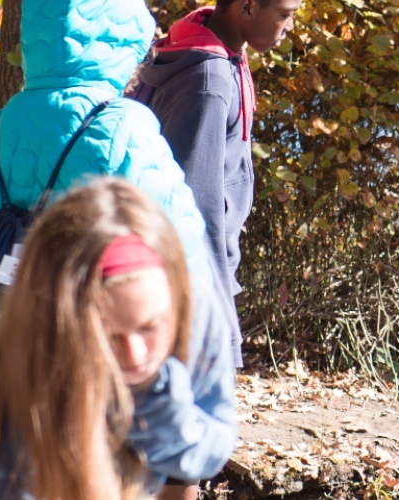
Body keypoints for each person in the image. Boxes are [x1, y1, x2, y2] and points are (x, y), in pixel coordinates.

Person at [0, 0, 239, 493]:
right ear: (120, 33)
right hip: (107, 335)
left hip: (19, 329)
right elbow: (177, 243)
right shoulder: (123, 124)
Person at [0, 179, 199, 500]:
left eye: (151, 326)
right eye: (108, 335)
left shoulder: (166, 386)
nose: (136, 355)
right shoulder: (0, 404)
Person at [128, 2, 299, 493]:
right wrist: (217, 315)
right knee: (187, 448)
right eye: (285, 14)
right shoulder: (208, 80)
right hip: (186, 287)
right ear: (247, 7)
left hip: (169, 281)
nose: (289, 27)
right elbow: (193, 210)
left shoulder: (204, 51)